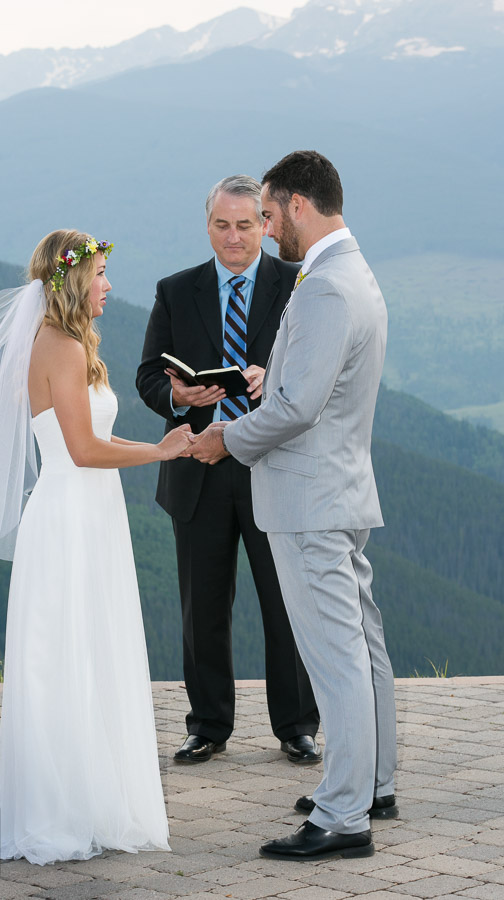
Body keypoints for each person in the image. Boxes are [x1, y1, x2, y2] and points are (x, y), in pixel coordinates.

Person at [0, 230, 193, 865]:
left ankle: (85, 796)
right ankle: (63, 806)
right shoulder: (59, 347)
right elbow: (84, 450)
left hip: (90, 512)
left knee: (84, 649)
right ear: (74, 280)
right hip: (70, 513)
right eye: (100, 276)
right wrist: (161, 449)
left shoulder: (66, 345)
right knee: (67, 652)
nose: (109, 287)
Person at [190, 152, 398, 862]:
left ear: (299, 205)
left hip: (309, 499)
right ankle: (371, 782)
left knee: (336, 659)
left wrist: (227, 439)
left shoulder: (324, 288)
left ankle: (343, 816)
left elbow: (301, 406)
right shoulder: (353, 273)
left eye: (271, 213)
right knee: (362, 650)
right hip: (338, 489)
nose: (268, 228)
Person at [136, 175, 321, 765]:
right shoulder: (175, 289)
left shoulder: (298, 283)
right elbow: (146, 376)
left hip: (273, 465)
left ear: (266, 226)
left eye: (246, 224)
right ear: (207, 224)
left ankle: (297, 725)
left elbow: (321, 366)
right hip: (199, 471)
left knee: (285, 603)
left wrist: (277, 380)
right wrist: (177, 400)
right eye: (223, 225)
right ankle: (208, 725)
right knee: (202, 607)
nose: (234, 237)